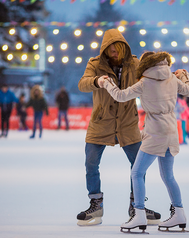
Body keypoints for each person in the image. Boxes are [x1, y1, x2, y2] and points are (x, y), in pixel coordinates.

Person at [100, 51, 189, 232]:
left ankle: (139, 215)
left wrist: (107, 83)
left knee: (137, 173)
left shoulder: (144, 82)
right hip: (170, 130)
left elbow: (120, 96)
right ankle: (179, 213)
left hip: (155, 133)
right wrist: (184, 74)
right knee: (168, 176)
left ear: (144, 65)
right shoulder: (172, 79)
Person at [77, 28, 160, 226]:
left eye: (118, 50)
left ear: (123, 47)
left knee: (139, 166)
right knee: (91, 164)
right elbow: (82, 84)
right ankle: (95, 204)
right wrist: (97, 81)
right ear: (105, 50)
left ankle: (136, 206)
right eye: (111, 50)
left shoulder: (135, 63)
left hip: (127, 123)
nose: (115, 53)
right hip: (101, 122)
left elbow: (151, 80)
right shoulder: (95, 64)